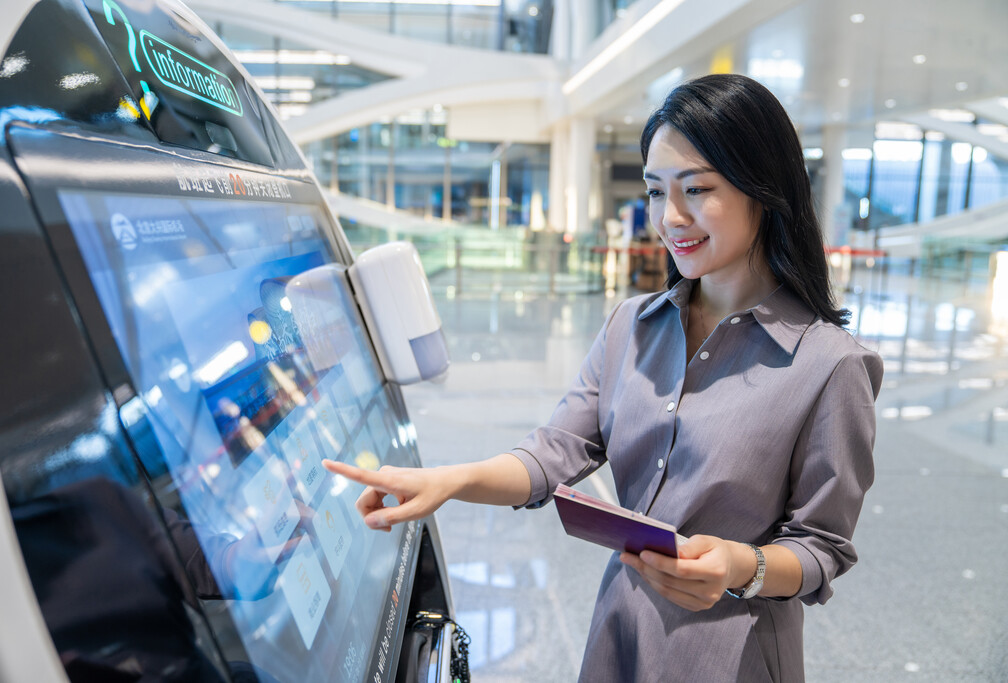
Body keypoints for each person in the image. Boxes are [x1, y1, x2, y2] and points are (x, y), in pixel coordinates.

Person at [324, 73, 883, 682]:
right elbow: (555, 452)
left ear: (762, 190)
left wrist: (740, 567)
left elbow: (822, 546)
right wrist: (451, 481)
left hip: (731, 655)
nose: (670, 218)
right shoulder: (631, 327)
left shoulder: (830, 364)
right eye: (653, 190)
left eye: (696, 189)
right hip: (621, 629)